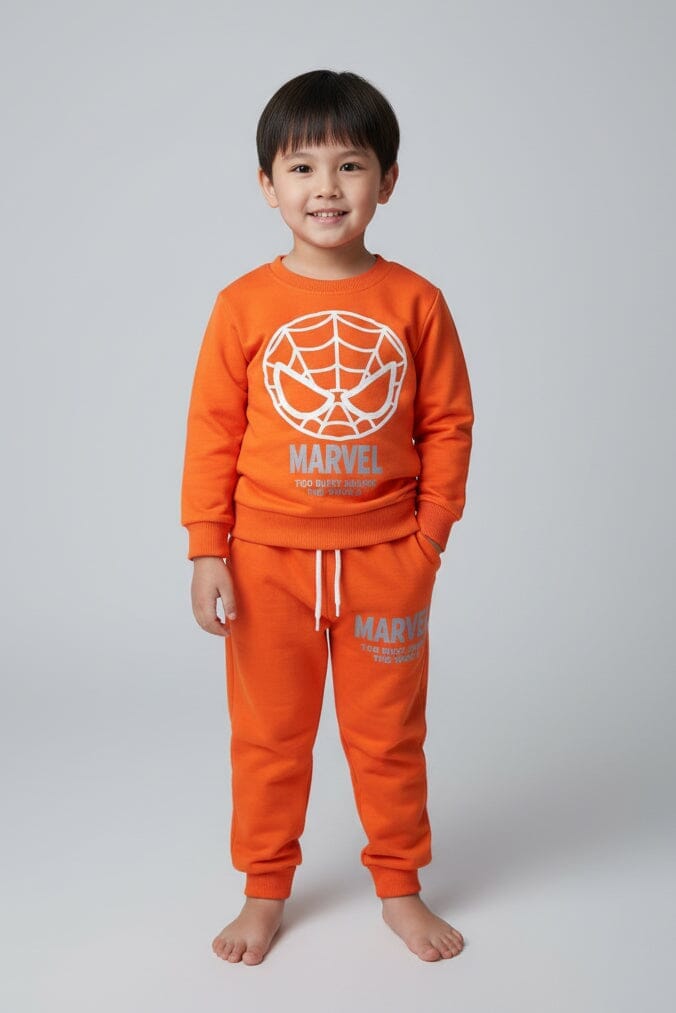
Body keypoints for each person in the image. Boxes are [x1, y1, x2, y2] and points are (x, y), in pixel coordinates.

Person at [180, 69, 474, 965]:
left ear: (388, 180)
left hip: (387, 561)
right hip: (266, 562)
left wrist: (428, 538)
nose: (327, 187)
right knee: (269, 738)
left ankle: (400, 887)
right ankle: (264, 889)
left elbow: (448, 423)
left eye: (351, 165)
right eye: (302, 167)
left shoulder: (416, 301)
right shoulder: (242, 305)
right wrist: (207, 549)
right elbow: (213, 431)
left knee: (389, 736)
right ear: (267, 185)